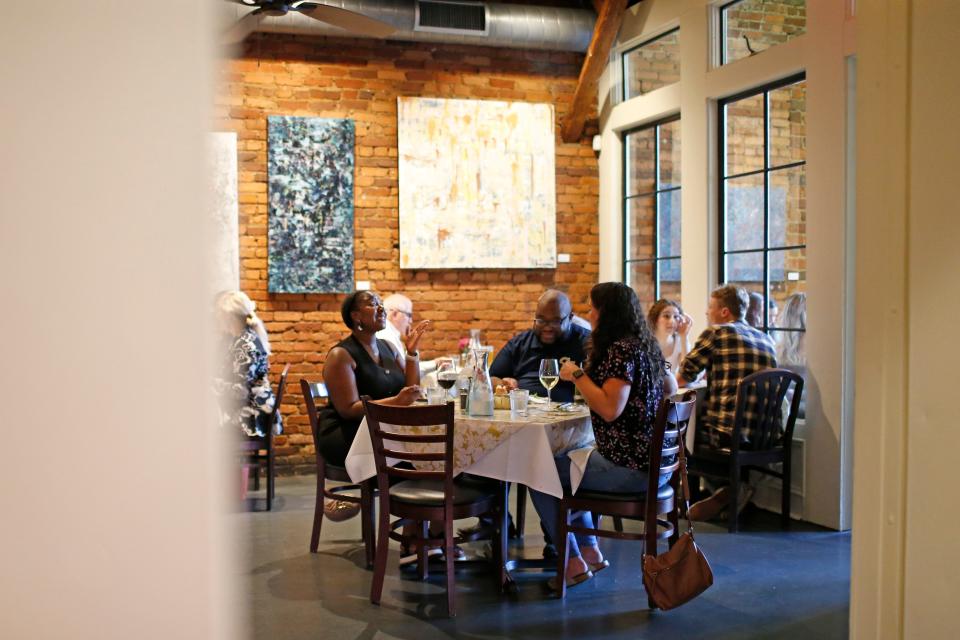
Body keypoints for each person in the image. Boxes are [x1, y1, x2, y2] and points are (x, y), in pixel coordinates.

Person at [528, 282, 677, 590]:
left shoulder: (619, 350)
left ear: (606, 312)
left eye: (593, 308)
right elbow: (672, 388)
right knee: (564, 465)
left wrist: (577, 375)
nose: (589, 314)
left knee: (537, 473)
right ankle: (590, 552)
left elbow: (610, 409)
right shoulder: (642, 344)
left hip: (630, 468)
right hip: (655, 465)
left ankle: (570, 562)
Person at [318, 290, 430, 521]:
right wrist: (396, 402)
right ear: (356, 316)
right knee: (420, 462)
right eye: (373, 304)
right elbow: (348, 409)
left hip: (381, 430)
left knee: (428, 456)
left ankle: (420, 534)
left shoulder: (388, 347)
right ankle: (417, 536)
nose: (381, 308)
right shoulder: (341, 355)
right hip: (347, 435)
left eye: (381, 303)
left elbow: (411, 389)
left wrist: (412, 353)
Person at [676, 285, 777, 520]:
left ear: (723, 312)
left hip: (728, 435)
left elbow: (684, 376)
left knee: (681, 435)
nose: (706, 312)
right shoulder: (766, 338)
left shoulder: (717, 333)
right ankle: (730, 490)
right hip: (767, 434)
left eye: (710, 307)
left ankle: (686, 501)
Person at [490, 289, 590, 403]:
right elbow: (491, 378)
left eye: (555, 321)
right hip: (524, 413)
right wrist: (502, 384)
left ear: (570, 318)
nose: (547, 328)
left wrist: (577, 375)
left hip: (570, 415)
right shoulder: (520, 343)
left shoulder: (588, 344)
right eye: (541, 320)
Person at [213, 290, 282, 438]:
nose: (216, 318)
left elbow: (241, 391)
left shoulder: (246, 345)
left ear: (228, 316)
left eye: (218, 314)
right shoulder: (239, 339)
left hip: (252, 416)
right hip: (248, 409)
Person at [376, 293, 437, 376]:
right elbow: (406, 370)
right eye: (409, 315)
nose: (410, 321)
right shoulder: (386, 335)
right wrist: (435, 364)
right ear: (395, 314)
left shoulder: (391, 333)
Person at [647, 298, 693, 375]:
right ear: (655, 319)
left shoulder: (680, 342)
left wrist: (684, 336)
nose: (672, 321)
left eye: (676, 317)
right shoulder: (645, 343)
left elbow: (687, 373)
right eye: (666, 316)